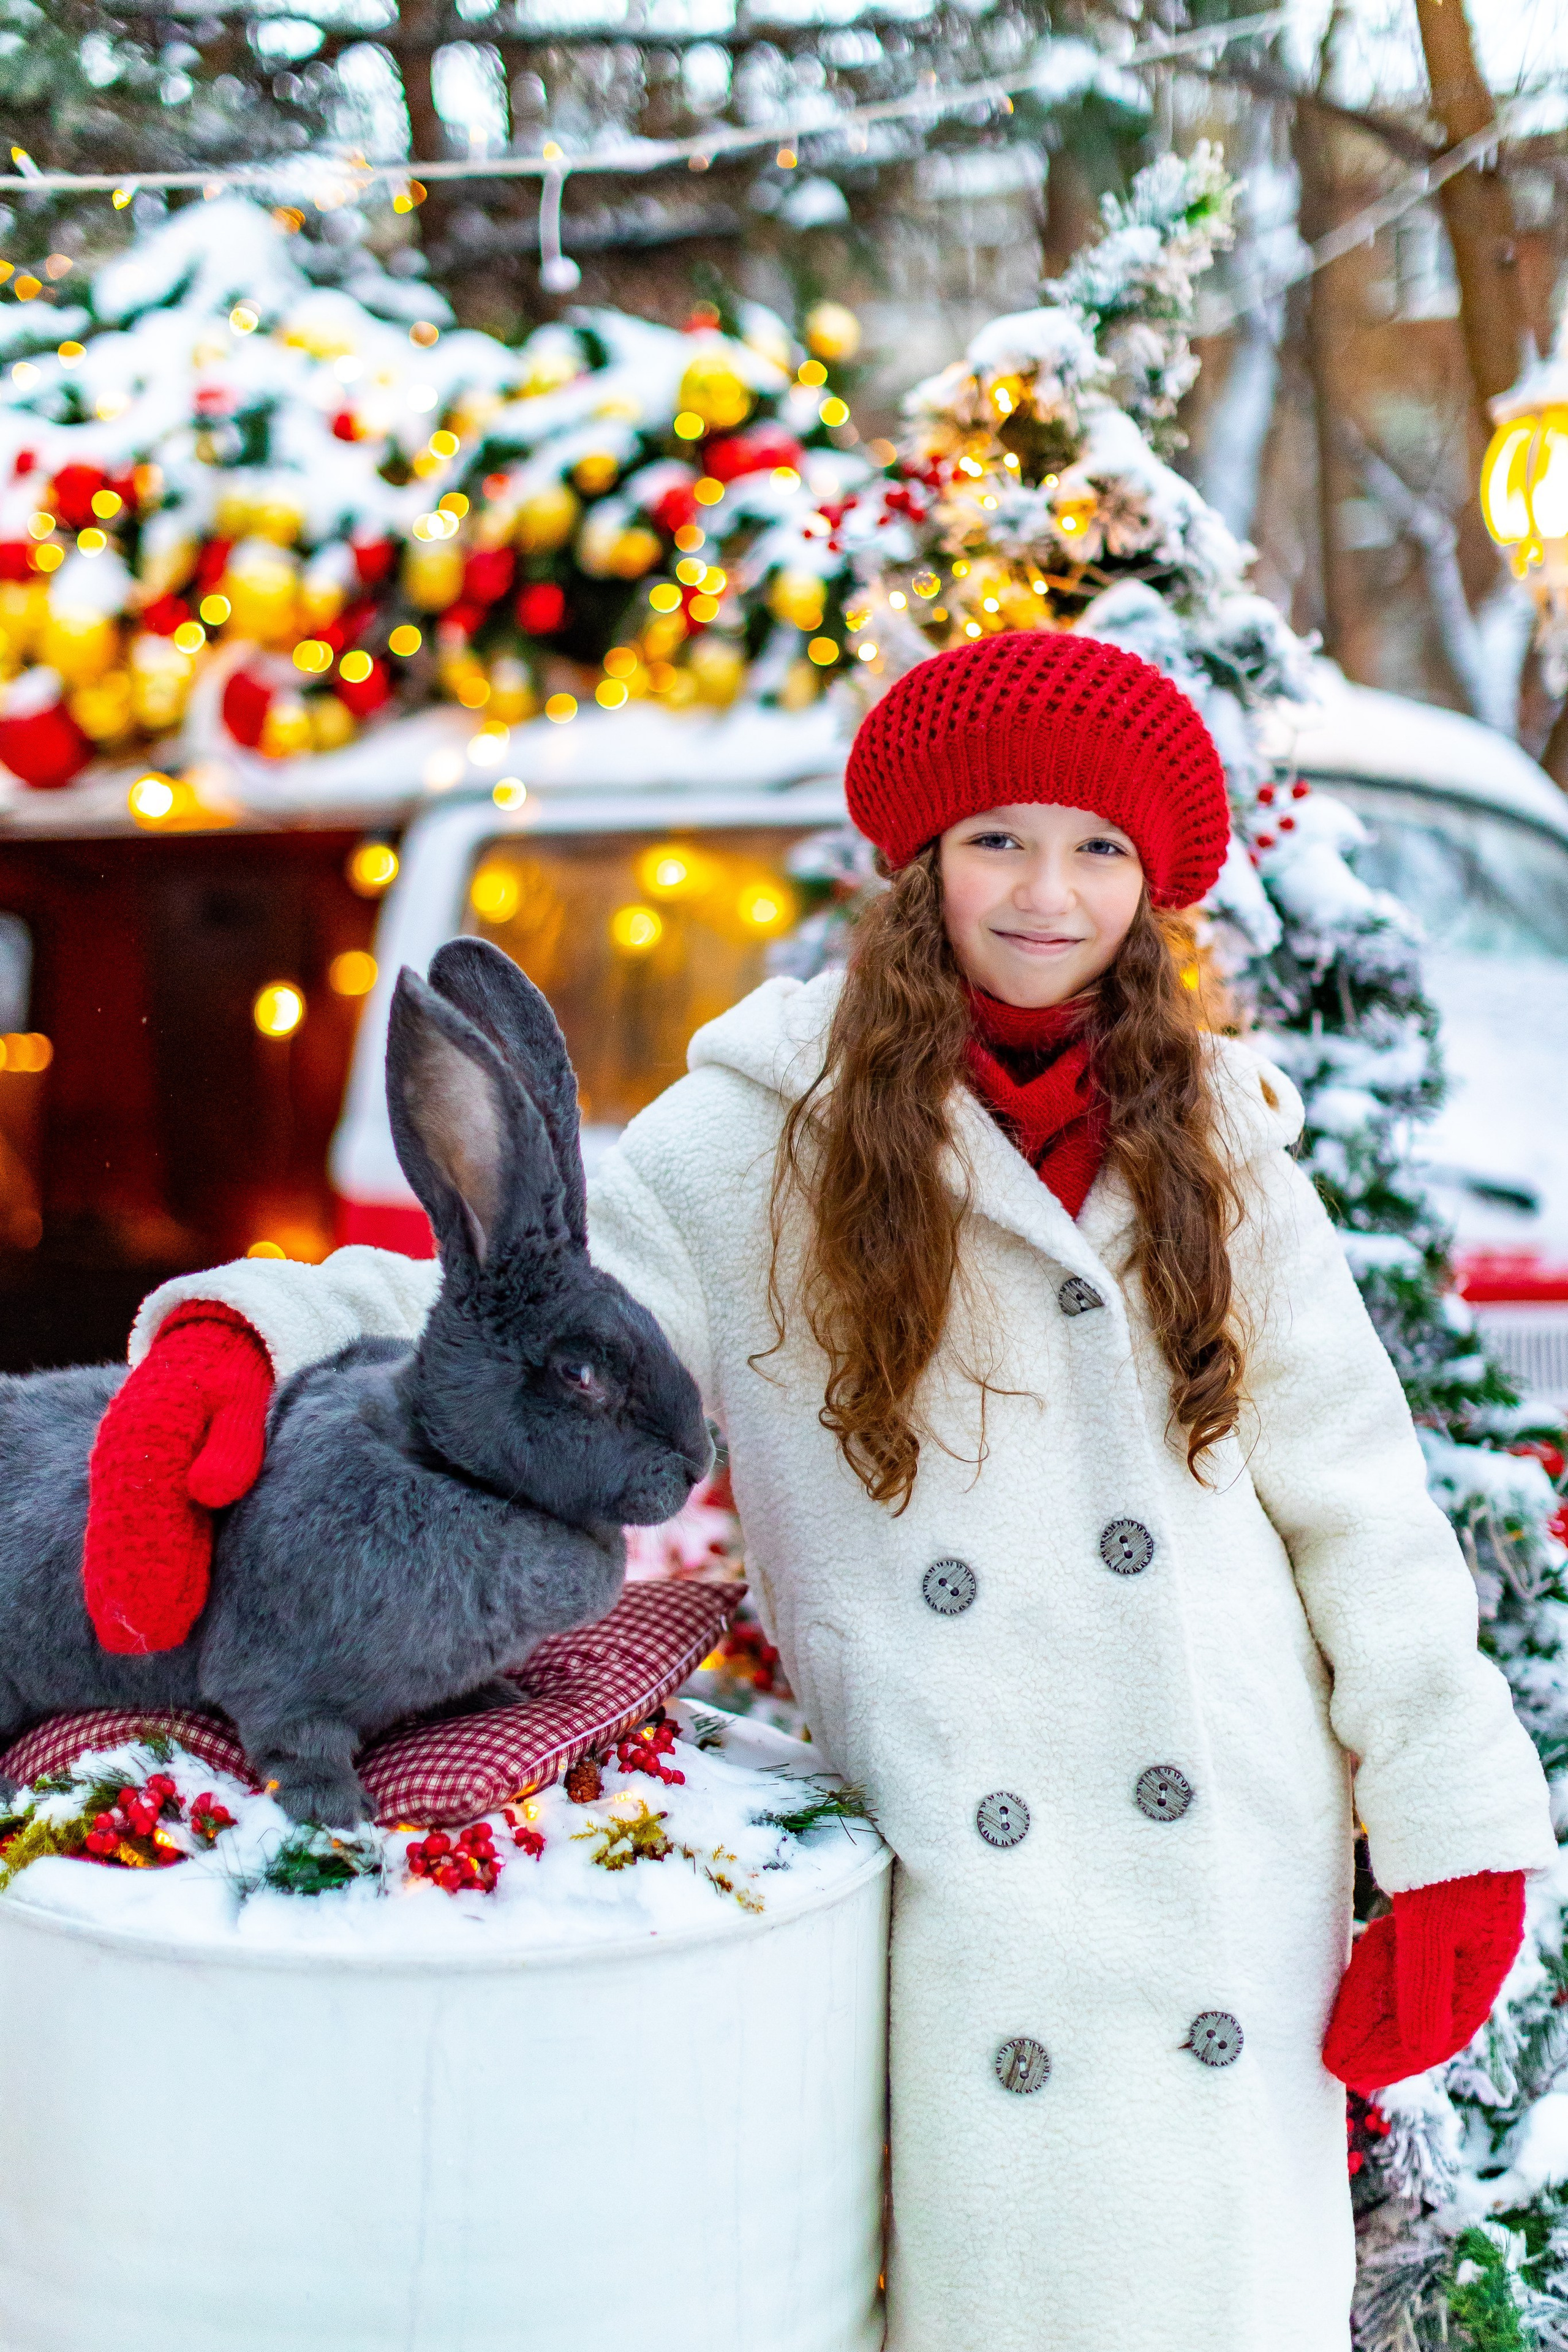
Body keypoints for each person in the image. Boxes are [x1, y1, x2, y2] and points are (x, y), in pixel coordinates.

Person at [86, 631, 1554, 2350]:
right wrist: (248, 1338)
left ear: (1152, 887)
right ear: (921, 864)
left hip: (1233, 1860)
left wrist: (1454, 1832)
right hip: (964, 1879)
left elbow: (1360, 1503)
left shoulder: (1223, 1144)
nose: (1048, 894)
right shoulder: (759, 1135)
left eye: (1098, 849)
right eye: (999, 840)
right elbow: (519, 1305)